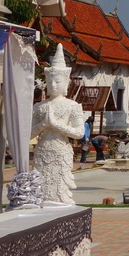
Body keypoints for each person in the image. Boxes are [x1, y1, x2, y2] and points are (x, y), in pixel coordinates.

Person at [31, 45, 87, 204]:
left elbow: (79, 133)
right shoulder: (39, 106)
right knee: (41, 186)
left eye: (57, 81)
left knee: (59, 188)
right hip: (42, 150)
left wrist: (55, 124)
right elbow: (28, 134)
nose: (53, 85)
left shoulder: (72, 106)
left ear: (66, 82)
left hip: (61, 150)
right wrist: (43, 124)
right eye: (50, 81)